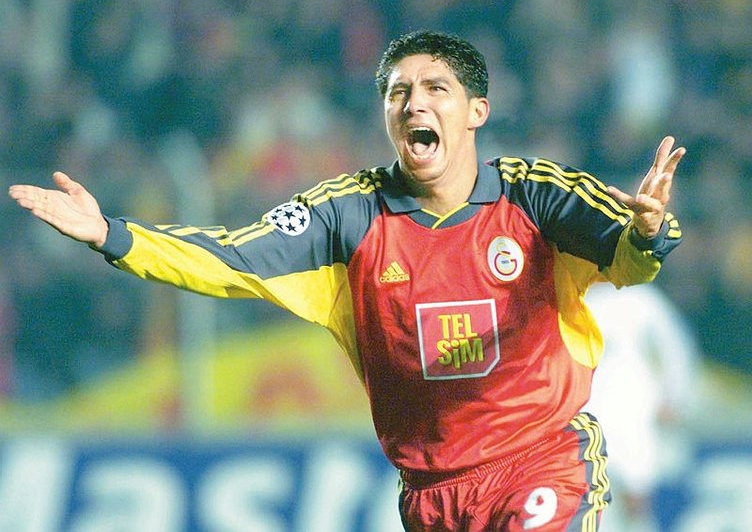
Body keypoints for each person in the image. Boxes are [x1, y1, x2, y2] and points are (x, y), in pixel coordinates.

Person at [9, 30, 685, 531]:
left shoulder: (535, 196)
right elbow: (233, 259)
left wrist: (648, 231)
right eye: (398, 93)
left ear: (476, 111)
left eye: (435, 89)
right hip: (431, 493)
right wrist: (114, 235)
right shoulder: (347, 217)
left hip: (542, 457)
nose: (414, 104)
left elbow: (629, 261)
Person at [583, 283, 699, 532]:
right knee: (587, 500)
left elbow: (674, 345)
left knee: (636, 495)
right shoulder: (573, 299)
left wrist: (675, 396)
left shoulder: (640, 299)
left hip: (632, 411)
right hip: (584, 414)